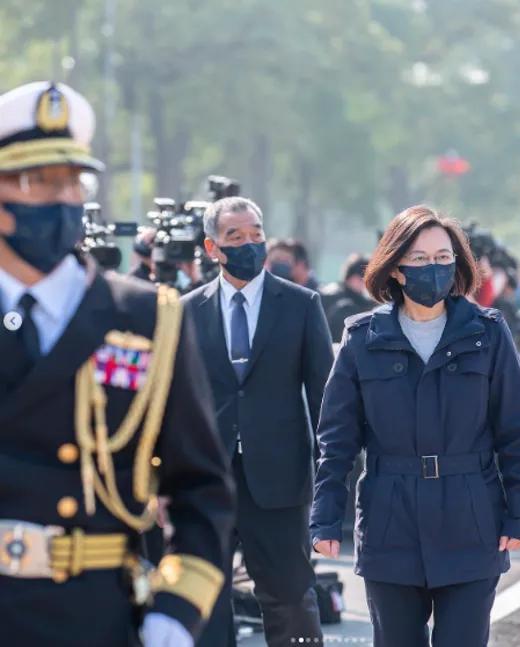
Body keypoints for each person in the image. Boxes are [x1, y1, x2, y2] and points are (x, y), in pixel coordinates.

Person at [0, 81, 235, 647]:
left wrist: (173, 615)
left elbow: (201, 489)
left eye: (72, 181)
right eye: (37, 182)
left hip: (93, 614)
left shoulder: (146, 318)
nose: (61, 199)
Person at [310, 205, 520, 647]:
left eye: (441, 257)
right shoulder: (361, 338)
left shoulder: (488, 334)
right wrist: (324, 518)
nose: (432, 267)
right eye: (418, 258)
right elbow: (336, 440)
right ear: (395, 268)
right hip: (389, 519)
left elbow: (515, 433)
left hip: (472, 518)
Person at [182, 197, 335, 647]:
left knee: (289, 597)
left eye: (255, 234)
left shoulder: (301, 305)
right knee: (204, 600)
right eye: (236, 237)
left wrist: (330, 477)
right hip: (205, 481)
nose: (250, 244)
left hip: (280, 482)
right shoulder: (186, 311)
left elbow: (324, 395)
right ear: (213, 248)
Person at [320, 253, 375, 343]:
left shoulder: (330, 293)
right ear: (354, 278)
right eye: (364, 279)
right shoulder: (346, 304)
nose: (366, 284)